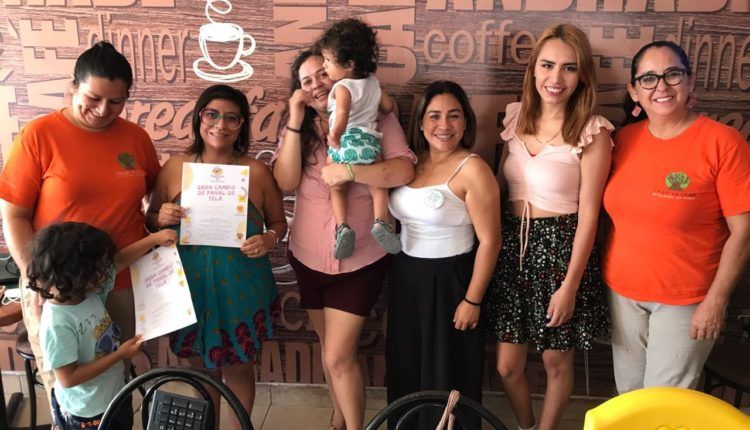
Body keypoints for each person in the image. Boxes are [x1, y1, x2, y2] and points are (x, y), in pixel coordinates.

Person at [0, 41, 161, 396]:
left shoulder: (135, 138)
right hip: (57, 289)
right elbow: (14, 215)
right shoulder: (38, 136)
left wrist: (159, 220)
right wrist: (36, 280)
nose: (103, 110)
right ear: (73, 86)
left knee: (116, 375)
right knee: (68, 389)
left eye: (116, 102)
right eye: (93, 98)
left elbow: (153, 195)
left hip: (119, 281)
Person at [273, 49, 415, 430]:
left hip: (361, 260)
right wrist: (295, 119)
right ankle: (338, 420)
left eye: (321, 74)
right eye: (306, 81)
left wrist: (350, 171)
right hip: (307, 258)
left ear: (337, 72)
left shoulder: (374, 114)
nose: (316, 85)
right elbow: (285, 181)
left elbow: (403, 169)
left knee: (338, 356)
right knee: (329, 350)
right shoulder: (300, 127)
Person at [603, 41, 750, 393]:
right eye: (649, 78)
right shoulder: (622, 140)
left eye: (672, 74)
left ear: (690, 80)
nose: (661, 86)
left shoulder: (723, 142)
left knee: (664, 403)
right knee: (629, 395)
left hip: (687, 300)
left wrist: (716, 301)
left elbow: (743, 232)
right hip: (622, 293)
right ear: (634, 91)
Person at [484, 24, 612, 430]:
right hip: (512, 248)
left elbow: (590, 215)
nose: (556, 78)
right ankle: (526, 425)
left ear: (582, 75)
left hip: (561, 249)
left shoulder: (592, 131)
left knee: (556, 361)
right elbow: (500, 186)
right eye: (547, 65)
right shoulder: (515, 117)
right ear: (533, 69)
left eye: (569, 68)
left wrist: (570, 286)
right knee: (507, 366)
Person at [147, 84, 286, 430]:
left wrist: (268, 239)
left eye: (231, 118)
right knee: (201, 369)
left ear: (241, 126)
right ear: (199, 118)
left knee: (239, 368)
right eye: (212, 114)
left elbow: (279, 223)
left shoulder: (256, 171)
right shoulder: (175, 167)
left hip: (241, 285)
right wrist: (160, 217)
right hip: (189, 284)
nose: (220, 124)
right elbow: (149, 219)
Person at [386, 80, 501, 429]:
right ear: (421, 122)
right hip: (406, 277)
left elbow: (491, 241)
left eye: (454, 115)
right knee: (406, 365)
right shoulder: (409, 162)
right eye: (434, 115)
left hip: (452, 282)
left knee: (447, 372)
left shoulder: (473, 168)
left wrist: (472, 300)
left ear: (465, 123)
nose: (444, 125)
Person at [27, 222, 176, 430]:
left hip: (113, 394)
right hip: (87, 412)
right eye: (99, 269)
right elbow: (68, 378)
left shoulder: (89, 293)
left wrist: (154, 239)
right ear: (77, 275)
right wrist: (120, 354)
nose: (105, 273)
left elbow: (120, 260)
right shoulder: (57, 323)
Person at [314, 17, 400, 259]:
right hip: (370, 143)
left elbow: (342, 113)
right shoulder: (374, 83)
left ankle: (342, 226)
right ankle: (381, 221)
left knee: (336, 184)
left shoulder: (342, 88)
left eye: (328, 60)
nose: (324, 65)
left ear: (349, 64)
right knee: (378, 185)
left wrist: (334, 135)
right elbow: (388, 107)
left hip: (346, 142)